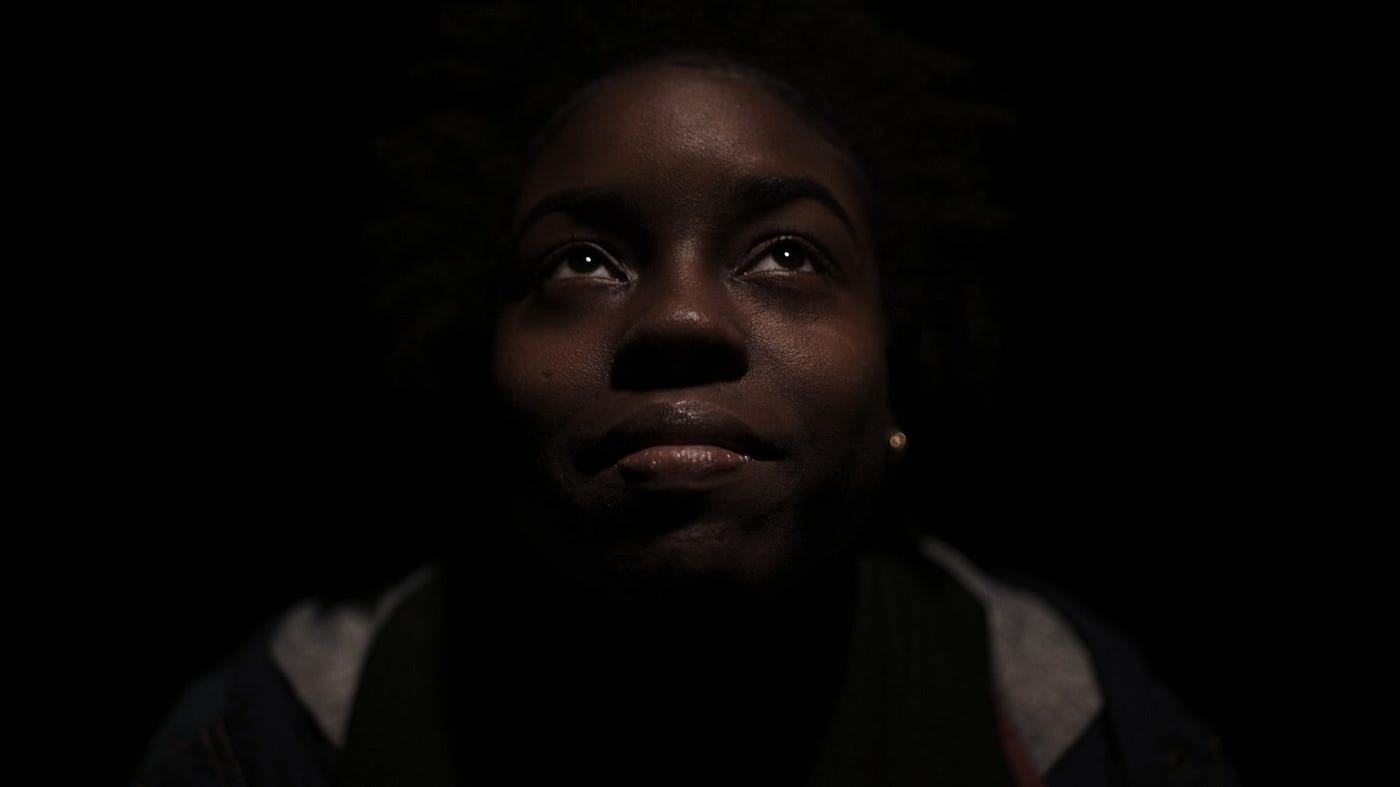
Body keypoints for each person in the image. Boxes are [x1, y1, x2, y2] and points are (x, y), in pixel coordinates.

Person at [137, 4, 1237, 785]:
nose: (680, 319)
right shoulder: (280, 732)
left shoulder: (1082, 724)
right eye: (579, 262)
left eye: (788, 254)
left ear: (895, 372)